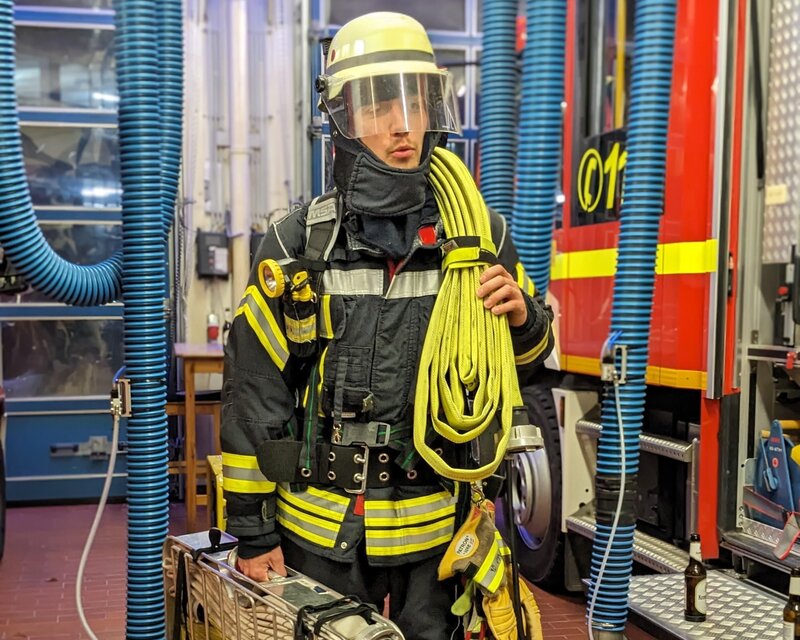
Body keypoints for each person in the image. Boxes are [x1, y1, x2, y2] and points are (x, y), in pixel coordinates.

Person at [221, 11, 554, 640]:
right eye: (378, 105)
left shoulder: (480, 239)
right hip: (319, 532)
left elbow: (529, 364)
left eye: (414, 102)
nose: (402, 124)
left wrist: (523, 318)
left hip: (440, 535)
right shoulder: (298, 245)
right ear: (343, 119)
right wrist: (253, 532)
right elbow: (254, 395)